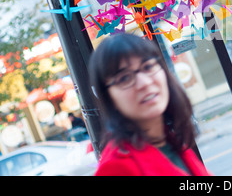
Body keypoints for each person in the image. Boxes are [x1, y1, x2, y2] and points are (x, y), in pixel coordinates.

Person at [88, 33, 210, 176]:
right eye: (124, 78)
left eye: (147, 67)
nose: (144, 83)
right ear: (109, 98)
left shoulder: (170, 141)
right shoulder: (116, 168)